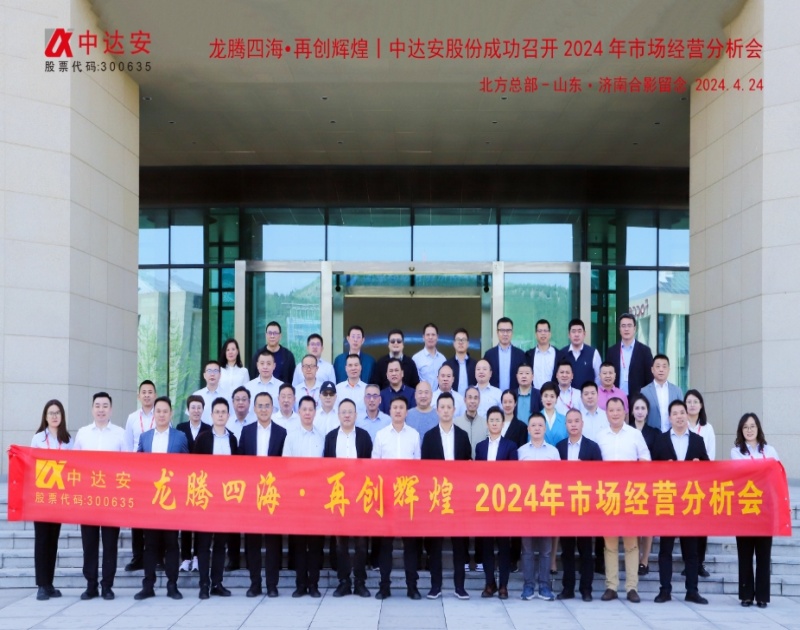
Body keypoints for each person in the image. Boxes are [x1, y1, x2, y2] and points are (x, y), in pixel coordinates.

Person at [650, 400, 709, 605]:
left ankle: (692, 591)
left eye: (682, 412)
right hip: (667, 502)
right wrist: (663, 468)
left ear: (687, 415)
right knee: (665, 550)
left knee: (691, 551)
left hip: (690, 503)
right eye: (674, 413)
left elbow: (708, 470)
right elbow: (650, 472)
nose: (679, 416)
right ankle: (664, 590)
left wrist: (699, 466)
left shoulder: (697, 441)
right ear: (669, 418)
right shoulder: (661, 440)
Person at [135, 396, 190, 601]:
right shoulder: (145, 437)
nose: (161, 415)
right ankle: (148, 585)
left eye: (165, 411)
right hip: (150, 501)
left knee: (171, 544)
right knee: (150, 544)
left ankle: (172, 585)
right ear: (154, 414)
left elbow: (187, 467)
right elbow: (137, 466)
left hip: (171, 500)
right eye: (158, 411)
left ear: (171, 414)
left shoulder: (180, 437)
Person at [596, 397, 650, 603]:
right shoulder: (600, 435)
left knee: (631, 543)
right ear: (607, 413)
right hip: (608, 496)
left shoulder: (635, 434)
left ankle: (631, 587)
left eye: (619, 409)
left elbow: (646, 459)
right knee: (609, 544)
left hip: (630, 495)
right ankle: (611, 586)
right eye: (611, 410)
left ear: (625, 412)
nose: (615, 413)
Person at [73, 392, 126, 600]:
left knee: (110, 543)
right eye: (97, 405)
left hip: (112, 498)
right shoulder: (83, 433)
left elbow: (128, 465)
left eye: (105, 406)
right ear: (92, 409)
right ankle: (91, 585)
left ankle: (107, 585)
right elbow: (74, 465)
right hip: (88, 498)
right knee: (89, 543)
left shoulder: (120, 434)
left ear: (111, 409)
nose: (101, 409)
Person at [421, 393, 471, 600]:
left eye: (449, 407)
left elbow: (468, 465)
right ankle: (436, 586)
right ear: (437, 410)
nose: (446, 410)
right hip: (436, 496)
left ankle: (460, 587)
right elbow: (424, 469)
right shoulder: (429, 436)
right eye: (442, 407)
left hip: (457, 498)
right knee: (435, 544)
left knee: (460, 544)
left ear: (454, 410)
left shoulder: (462, 436)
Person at [238, 391, 287, 598]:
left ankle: (272, 585)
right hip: (252, 495)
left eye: (267, 406)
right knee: (253, 543)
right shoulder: (247, 431)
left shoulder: (282, 433)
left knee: (274, 543)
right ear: (254, 408)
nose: (264, 409)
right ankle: (255, 584)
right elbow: (239, 462)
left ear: (272, 408)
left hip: (273, 494)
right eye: (260, 406)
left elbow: (286, 464)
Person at [372, 396, 421, 599]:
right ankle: (384, 586)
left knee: (411, 546)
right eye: (395, 407)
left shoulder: (414, 435)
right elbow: (375, 466)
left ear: (406, 412)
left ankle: (412, 586)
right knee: (385, 546)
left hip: (408, 497)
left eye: (401, 407)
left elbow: (418, 465)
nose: (398, 411)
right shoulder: (381, 435)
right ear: (390, 411)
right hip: (387, 498)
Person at [325, 398, 373, 598]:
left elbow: (371, 466)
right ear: (338, 415)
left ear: (356, 415)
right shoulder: (330, 437)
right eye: (343, 412)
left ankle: (360, 582)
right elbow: (326, 468)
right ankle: (343, 581)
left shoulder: (364, 436)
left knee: (361, 543)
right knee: (340, 543)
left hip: (360, 496)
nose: (346, 415)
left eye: (350, 412)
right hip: (338, 497)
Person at [731, 412, 779, 608]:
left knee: (763, 555)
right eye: (745, 427)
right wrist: (762, 471)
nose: (749, 430)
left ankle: (762, 597)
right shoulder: (736, 452)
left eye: (752, 426)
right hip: (744, 508)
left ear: (758, 428)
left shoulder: (770, 450)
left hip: (765, 509)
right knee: (745, 554)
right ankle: (746, 595)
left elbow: (776, 475)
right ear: (741, 431)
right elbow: (741, 474)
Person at [193, 397, 238, 599]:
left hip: (225, 500)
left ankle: (217, 583)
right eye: (217, 412)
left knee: (220, 544)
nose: (220, 415)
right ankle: (204, 584)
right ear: (211, 415)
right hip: (205, 498)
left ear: (228, 416)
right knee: (203, 544)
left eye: (223, 412)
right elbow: (194, 469)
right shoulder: (202, 438)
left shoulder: (232, 439)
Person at [555, 409, 602, 602]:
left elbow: (600, 476)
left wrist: (586, 470)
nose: (573, 424)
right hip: (565, 507)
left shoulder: (592, 447)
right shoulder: (559, 448)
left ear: (582, 423)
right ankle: (568, 588)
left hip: (585, 507)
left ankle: (586, 589)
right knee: (566, 551)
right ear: (565, 425)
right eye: (570, 421)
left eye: (576, 421)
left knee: (585, 550)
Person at [283, 396, 326, 597]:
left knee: (315, 545)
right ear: (299, 412)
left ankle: (314, 584)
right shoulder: (291, 437)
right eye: (304, 409)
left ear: (315, 412)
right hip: (298, 500)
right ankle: (300, 584)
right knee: (299, 545)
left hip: (317, 499)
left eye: (311, 409)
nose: (308, 413)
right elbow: (286, 466)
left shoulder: (322, 437)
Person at [476, 406, 518, 600]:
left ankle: (503, 585)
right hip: (485, 504)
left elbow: (513, 475)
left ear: (503, 423)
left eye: (497, 420)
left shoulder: (510, 446)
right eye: (491, 420)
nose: (494, 423)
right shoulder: (480, 447)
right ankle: (489, 583)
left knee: (503, 546)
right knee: (486, 546)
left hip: (504, 503)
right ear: (487, 423)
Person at [31, 399, 71, 601]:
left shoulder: (68, 440)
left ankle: (49, 583)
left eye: (57, 413)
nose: (54, 416)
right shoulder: (38, 438)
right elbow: (29, 462)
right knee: (42, 539)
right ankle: (41, 584)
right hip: (42, 497)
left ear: (62, 416)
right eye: (51, 413)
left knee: (53, 540)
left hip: (59, 497)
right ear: (45, 417)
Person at [517, 413, 559, 601]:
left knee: (545, 550)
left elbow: (559, 479)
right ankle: (528, 586)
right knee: (527, 549)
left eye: (540, 425)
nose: (536, 428)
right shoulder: (520, 452)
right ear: (528, 429)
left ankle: (544, 586)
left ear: (545, 428)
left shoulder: (553, 452)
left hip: (546, 507)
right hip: (526, 507)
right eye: (533, 425)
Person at [123, 379, 157, 572]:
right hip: (137, 473)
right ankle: (138, 557)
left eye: (150, 392)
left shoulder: (161, 413)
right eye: (144, 392)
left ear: (155, 395)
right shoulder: (132, 418)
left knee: (155, 514)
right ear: (138, 396)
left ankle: (157, 556)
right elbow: (128, 445)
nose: (147, 395)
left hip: (157, 474)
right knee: (137, 516)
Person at [176, 395, 210, 572]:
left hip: (203, 482)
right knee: (186, 521)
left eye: (199, 408)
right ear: (188, 410)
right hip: (185, 481)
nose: (196, 411)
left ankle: (197, 557)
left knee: (200, 521)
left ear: (203, 410)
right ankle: (186, 558)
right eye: (193, 407)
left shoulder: (208, 429)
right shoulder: (180, 428)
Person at [627, 393, 659, 576]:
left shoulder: (654, 433)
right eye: (637, 408)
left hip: (648, 483)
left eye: (643, 408)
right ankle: (634, 556)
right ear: (632, 411)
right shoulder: (625, 431)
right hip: (629, 485)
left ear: (647, 411)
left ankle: (644, 559)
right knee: (634, 524)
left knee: (647, 524)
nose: (640, 411)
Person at [685, 388, 715, 578]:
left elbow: (710, 455)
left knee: (702, 524)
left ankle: (699, 562)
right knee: (686, 524)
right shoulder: (680, 425)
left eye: (695, 401)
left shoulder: (707, 428)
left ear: (701, 405)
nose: (692, 405)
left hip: (702, 481)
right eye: (689, 402)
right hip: (684, 481)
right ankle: (688, 562)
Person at [605, 313, 654, 399]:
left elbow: (650, 378)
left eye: (629, 326)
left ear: (634, 328)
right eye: (623, 326)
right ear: (619, 329)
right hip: (616, 398)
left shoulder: (645, 351)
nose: (626, 329)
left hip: (638, 399)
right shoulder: (612, 351)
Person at [640, 354, 683, 431]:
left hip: (672, 433)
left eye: (664, 366)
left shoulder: (677, 391)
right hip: (652, 434)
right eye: (658, 366)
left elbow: (682, 413)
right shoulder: (644, 392)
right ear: (652, 370)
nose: (661, 370)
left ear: (669, 370)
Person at [484, 317, 527, 390]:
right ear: (497, 332)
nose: (505, 334)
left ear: (512, 332)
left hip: (514, 395)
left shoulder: (520, 354)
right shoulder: (489, 355)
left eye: (508, 331)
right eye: (502, 330)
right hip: (494, 395)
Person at [555, 319, 601, 388]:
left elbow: (598, 378)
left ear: (584, 334)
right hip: (567, 394)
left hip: (587, 394)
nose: (576, 335)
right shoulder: (562, 353)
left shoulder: (593, 353)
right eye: (573, 331)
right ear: (569, 335)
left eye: (579, 331)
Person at [245, 349, 283, 414]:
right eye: (262, 363)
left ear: (274, 366)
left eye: (268, 364)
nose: (265, 367)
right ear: (257, 365)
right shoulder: (248, 387)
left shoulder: (281, 387)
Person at [454, 386, 485, 459]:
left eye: (475, 398)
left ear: (479, 401)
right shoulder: (456, 423)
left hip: (481, 464)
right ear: (465, 400)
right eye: (470, 397)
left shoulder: (486, 424)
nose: (472, 401)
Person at [526, 319, 557, 390]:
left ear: (550, 334)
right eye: (540, 331)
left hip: (553, 395)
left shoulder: (559, 355)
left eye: (545, 331)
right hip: (534, 394)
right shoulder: (528, 355)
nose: (543, 333)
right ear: (535, 334)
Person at [412, 322, 447, 388]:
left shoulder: (442, 359)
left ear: (437, 337)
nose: (430, 337)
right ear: (423, 337)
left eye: (433, 335)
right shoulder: (416, 358)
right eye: (428, 335)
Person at [444, 327, 476, 396]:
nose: (461, 342)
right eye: (458, 340)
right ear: (454, 343)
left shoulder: (475, 365)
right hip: (452, 400)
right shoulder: (447, 365)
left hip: (471, 401)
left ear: (468, 343)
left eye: (463, 340)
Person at [510, 364, 541, 428]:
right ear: (517, 376)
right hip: (515, 431)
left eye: (527, 373)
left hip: (533, 430)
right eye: (521, 373)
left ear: (532, 376)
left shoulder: (539, 394)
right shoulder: (511, 394)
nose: (524, 376)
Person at [539, 382, 567, 448]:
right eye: (545, 396)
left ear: (557, 399)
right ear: (541, 398)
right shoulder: (534, 419)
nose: (548, 399)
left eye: (552, 396)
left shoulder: (564, 419)